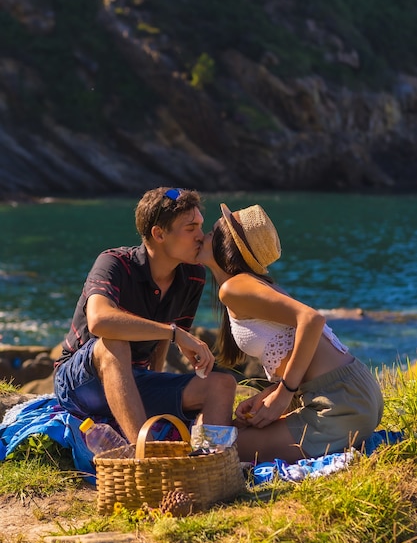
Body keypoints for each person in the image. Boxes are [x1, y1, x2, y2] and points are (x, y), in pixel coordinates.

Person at [198, 202, 384, 464]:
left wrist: (284, 393)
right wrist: (268, 395)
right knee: (230, 434)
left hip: (340, 402)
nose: (202, 236)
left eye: (210, 232)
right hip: (351, 392)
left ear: (224, 244)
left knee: (216, 448)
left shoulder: (235, 288)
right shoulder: (246, 286)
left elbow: (311, 319)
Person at [54, 188, 237, 444]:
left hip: (133, 382)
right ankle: (148, 455)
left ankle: (210, 465)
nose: (201, 236)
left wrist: (158, 375)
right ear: (159, 234)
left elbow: (162, 337)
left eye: (201, 226)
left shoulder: (194, 275)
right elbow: (99, 320)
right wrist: (174, 333)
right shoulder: (114, 263)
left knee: (222, 385)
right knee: (113, 340)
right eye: (190, 228)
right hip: (81, 383)